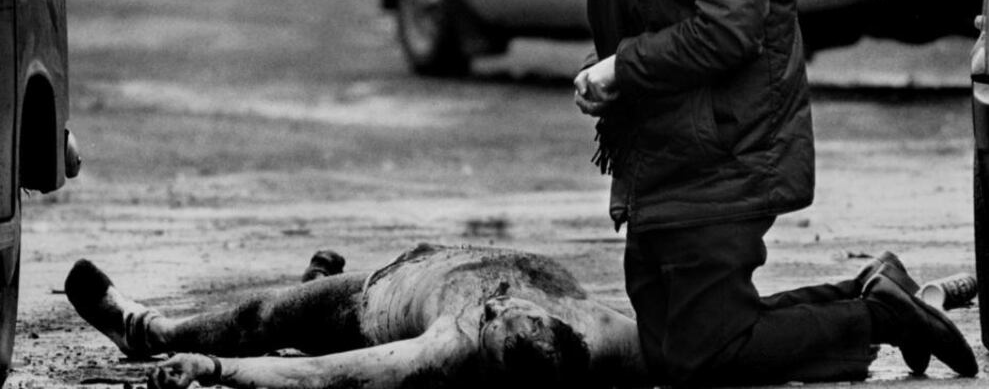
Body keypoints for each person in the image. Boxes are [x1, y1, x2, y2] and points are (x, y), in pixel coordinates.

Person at [549, 0, 977, 385]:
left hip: (728, 145)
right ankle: (871, 295)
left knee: (704, 354)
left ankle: (878, 314)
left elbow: (726, 31)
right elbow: (636, 14)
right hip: (660, 149)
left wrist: (623, 71)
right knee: (673, 346)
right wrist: (604, 72)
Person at [65, 243, 651, 389]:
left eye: (490, 319)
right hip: (422, 260)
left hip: (370, 301)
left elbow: (323, 378)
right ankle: (308, 293)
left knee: (260, 320)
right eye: (509, 310)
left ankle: (144, 331)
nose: (496, 302)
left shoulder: (448, 347)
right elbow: (711, 348)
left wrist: (213, 367)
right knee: (291, 322)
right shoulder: (603, 331)